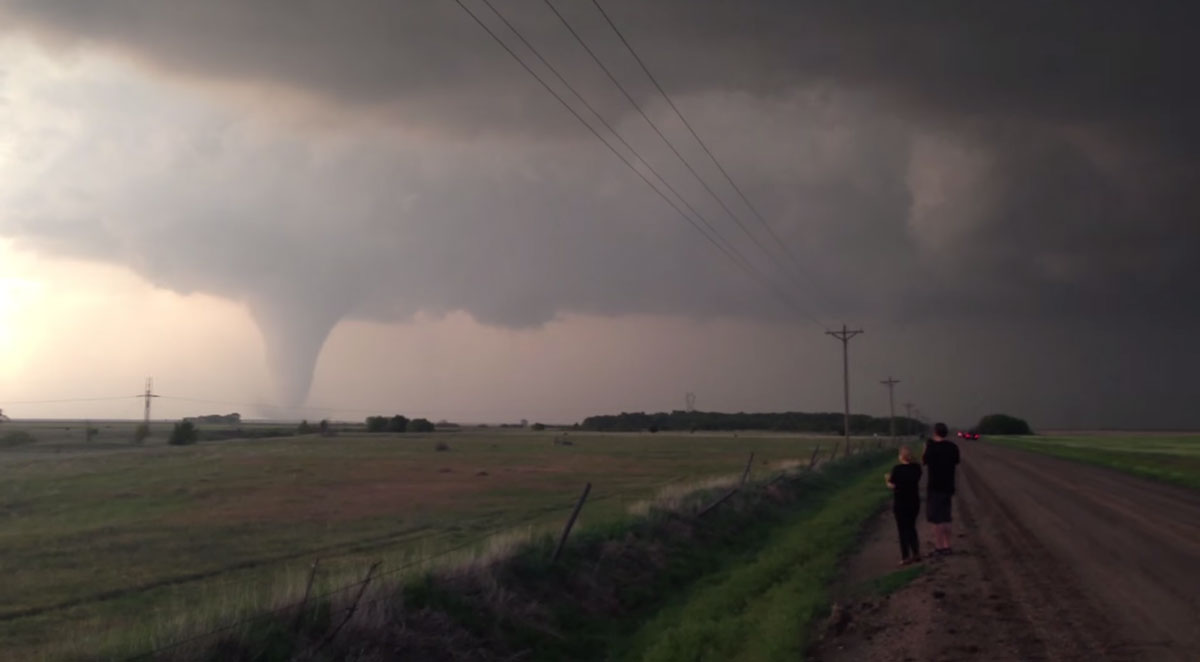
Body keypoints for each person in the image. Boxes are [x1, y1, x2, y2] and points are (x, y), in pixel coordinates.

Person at [923, 422, 961, 554]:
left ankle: (939, 547)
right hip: (948, 485)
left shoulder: (931, 447)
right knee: (946, 517)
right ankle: (947, 545)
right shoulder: (953, 447)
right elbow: (956, 461)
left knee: (936, 519)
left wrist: (926, 447)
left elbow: (924, 461)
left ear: (935, 432)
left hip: (935, 486)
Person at [885, 445, 922, 565]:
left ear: (901, 456)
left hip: (901, 502)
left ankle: (905, 556)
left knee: (902, 530)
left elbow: (893, 485)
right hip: (914, 502)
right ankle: (916, 553)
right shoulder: (917, 468)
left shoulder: (897, 469)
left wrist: (887, 480)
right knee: (911, 527)